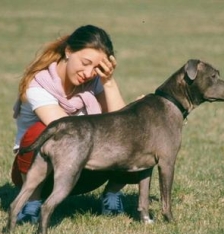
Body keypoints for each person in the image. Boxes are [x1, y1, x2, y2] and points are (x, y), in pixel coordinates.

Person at [11, 25, 138, 223]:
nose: (88, 73)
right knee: (40, 132)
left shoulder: (96, 82)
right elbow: (66, 131)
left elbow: (125, 126)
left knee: (138, 129)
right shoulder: (37, 87)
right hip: (41, 175)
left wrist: (109, 83)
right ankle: (32, 202)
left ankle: (112, 194)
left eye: (96, 68)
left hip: (85, 170)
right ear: (69, 51)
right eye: (85, 62)